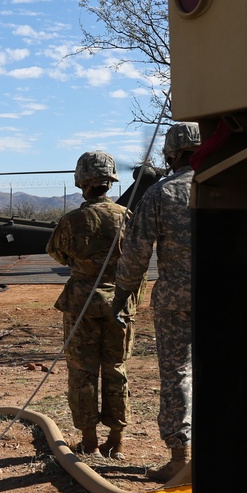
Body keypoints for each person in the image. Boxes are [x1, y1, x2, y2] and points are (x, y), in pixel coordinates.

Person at [113, 122, 201, 482]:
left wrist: (121, 294)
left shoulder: (161, 193)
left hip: (175, 300)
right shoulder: (226, 185)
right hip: (228, 296)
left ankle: (180, 459)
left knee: (178, 371)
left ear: (171, 153)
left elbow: (135, 253)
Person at [46, 150, 142, 460]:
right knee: (116, 368)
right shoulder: (128, 217)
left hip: (82, 305)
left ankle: (89, 441)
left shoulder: (72, 220)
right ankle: (117, 441)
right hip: (120, 304)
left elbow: (57, 253)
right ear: (110, 181)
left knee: (82, 370)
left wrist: (84, 265)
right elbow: (138, 258)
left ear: (81, 182)